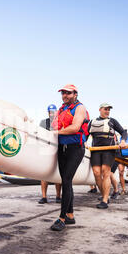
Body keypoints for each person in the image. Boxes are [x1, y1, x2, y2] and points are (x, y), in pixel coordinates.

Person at [50, 84, 89, 231]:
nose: (65, 95)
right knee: (66, 181)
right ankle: (70, 215)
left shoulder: (80, 108)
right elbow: (54, 127)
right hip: (62, 148)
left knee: (66, 180)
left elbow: (75, 127)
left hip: (75, 149)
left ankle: (61, 218)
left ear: (75, 94)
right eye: (63, 93)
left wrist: (55, 133)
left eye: (68, 93)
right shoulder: (61, 109)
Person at [88, 103, 128, 209]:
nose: (107, 111)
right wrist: (83, 141)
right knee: (96, 173)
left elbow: (123, 132)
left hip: (109, 150)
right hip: (96, 150)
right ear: (100, 109)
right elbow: (85, 134)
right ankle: (104, 195)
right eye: (105, 109)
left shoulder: (112, 121)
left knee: (106, 172)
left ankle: (105, 200)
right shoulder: (92, 122)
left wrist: (123, 141)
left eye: (108, 110)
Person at [39, 104, 62, 204]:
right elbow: (40, 135)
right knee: (44, 174)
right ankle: (44, 197)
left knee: (58, 174)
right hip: (46, 150)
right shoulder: (44, 122)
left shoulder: (60, 122)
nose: (52, 114)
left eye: (54, 112)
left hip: (57, 149)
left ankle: (58, 196)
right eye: (50, 112)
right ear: (48, 112)